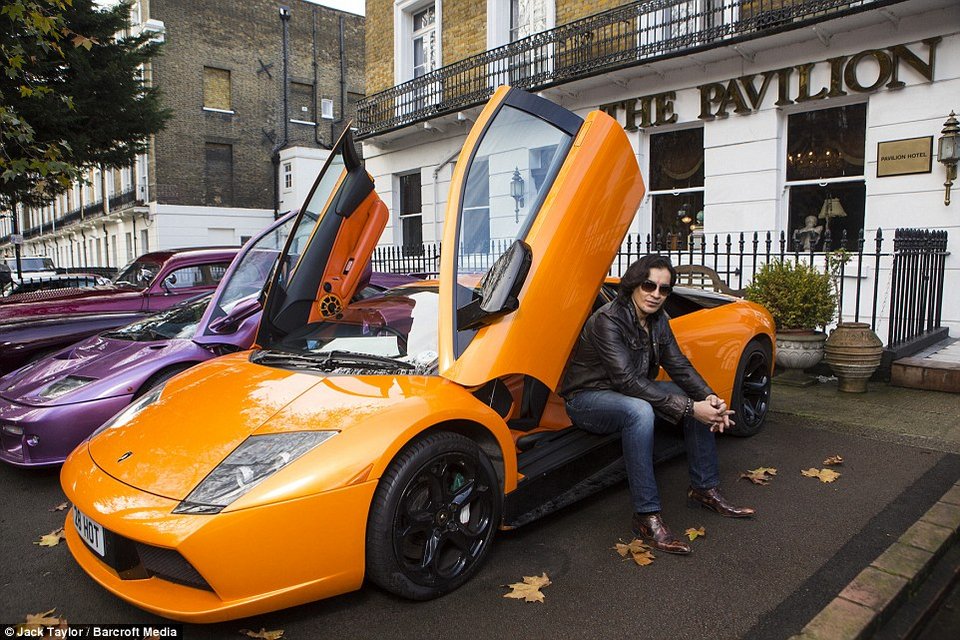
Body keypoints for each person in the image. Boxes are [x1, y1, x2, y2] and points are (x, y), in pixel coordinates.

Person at [560, 254, 754, 555]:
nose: (656, 294)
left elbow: (679, 365)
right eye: (649, 285)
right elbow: (627, 381)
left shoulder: (658, 319)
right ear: (634, 284)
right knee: (640, 411)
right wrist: (691, 409)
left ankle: (704, 489)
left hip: (630, 390)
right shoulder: (608, 320)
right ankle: (646, 516)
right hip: (588, 398)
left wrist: (710, 398)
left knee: (691, 400)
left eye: (664, 289)